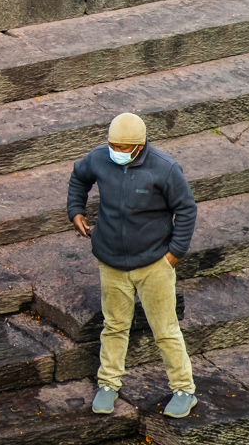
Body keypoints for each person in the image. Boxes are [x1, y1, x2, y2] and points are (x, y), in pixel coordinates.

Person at [68, 112, 199, 419]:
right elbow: (79, 177)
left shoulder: (164, 168)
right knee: (114, 326)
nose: (116, 151)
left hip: (154, 263)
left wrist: (174, 254)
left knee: (165, 329)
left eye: (123, 147)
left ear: (139, 147)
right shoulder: (99, 158)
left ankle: (184, 389)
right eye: (112, 145)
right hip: (111, 261)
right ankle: (109, 384)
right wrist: (75, 209)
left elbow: (187, 209)